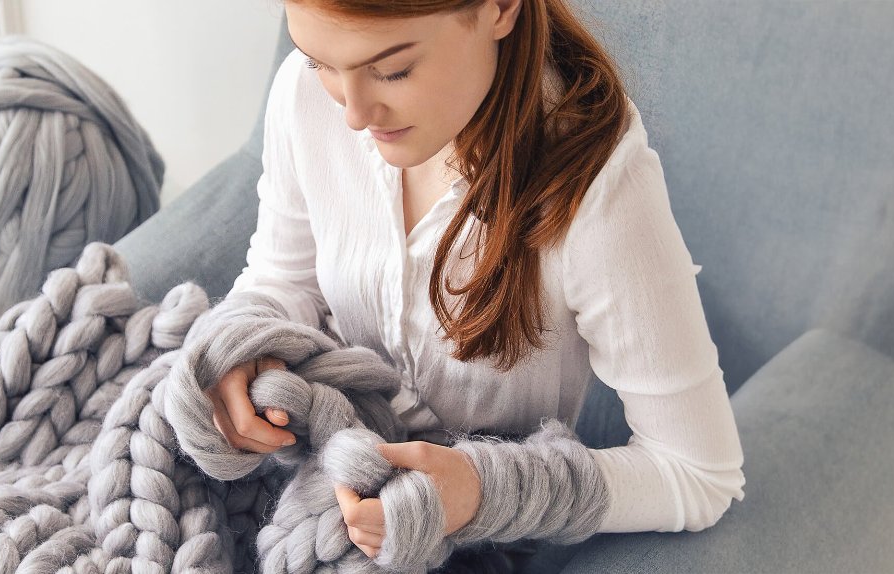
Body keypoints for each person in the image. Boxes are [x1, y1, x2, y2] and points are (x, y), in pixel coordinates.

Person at [120, 0, 747, 571]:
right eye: (319, 62)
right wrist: (240, 347)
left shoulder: (598, 192)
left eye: (391, 71)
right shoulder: (307, 101)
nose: (353, 113)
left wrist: (481, 491)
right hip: (303, 463)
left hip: (467, 543)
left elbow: (698, 472)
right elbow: (284, 278)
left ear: (501, 8)